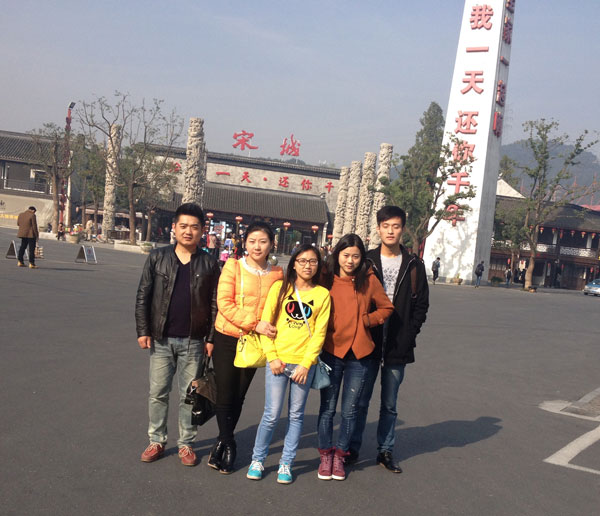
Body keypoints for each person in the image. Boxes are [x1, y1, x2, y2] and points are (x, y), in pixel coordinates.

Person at [135, 203, 221, 467]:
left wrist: (211, 338)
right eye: (183, 226)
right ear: (174, 228)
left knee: (189, 395)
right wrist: (143, 330)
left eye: (194, 227)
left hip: (194, 341)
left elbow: (215, 303)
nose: (188, 231)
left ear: (202, 231)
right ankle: (156, 440)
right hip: (161, 338)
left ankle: (186, 444)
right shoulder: (157, 257)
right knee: (158, 392)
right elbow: (143, 295)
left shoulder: (209, 263)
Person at [348, 206, 430, 473]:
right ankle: (352, 449)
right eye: (386, 226)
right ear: (378, 229)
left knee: (390, 404)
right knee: (361, 401)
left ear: (402, 229)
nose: (391, 231)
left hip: (398, 340)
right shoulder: (367, 261)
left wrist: (409, 334)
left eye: (395, 226)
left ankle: (385, 450)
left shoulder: (414, 265)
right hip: (369, 338)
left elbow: (421, 305)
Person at [246, 244, 331, 484]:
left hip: (303, 364)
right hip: (278, 361)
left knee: (296, 415)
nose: (307, 265)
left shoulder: (322, 295)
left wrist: (306, 364)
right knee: (271, 414)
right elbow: (266, 325)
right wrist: (272, 357)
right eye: (302, 260)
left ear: (318, 265)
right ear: (294, 264)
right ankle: (258, 459)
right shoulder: (280, 288)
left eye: (313, 261)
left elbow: (319, 334)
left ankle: (286, 463)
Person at [317, 234, 394, 481]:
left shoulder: (368, 280)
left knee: (350, 410)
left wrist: (368, 320)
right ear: (337, 254)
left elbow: (387, 307)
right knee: (328, 409)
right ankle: (325, 454)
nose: (350, 261)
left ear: (362, 258)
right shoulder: (326, 279)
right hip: (332, 351)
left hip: (359, 355)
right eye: (346, 255)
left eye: (356, 256)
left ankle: (340, 454)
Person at [210, 221, 283, 474]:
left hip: (254, 342)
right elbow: (224, 303)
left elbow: (279, 307)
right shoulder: (233, 266)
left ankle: (221, 442)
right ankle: (229, 443)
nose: (257, 246)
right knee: (225, 393)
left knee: (239, 394)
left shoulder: (278, 274)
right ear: (245, 243)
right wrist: (255, 323)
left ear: (271, 244)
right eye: (252, 241)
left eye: (263, 241)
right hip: (228, 337)